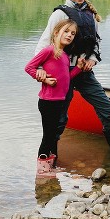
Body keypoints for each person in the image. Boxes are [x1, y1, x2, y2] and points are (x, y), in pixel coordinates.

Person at [33, 0, 110, 151]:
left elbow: (96, 42)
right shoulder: (60, 14)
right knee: (60, 118)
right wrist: (39, 68)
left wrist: (92, 59)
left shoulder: (90, 14)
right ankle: (49, 156)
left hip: (83, 71)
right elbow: (45, 41)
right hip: (62, 72)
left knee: (105, 106)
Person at [25, 19, 81, 177]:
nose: (69, 35)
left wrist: (78, 68)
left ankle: (51, 166)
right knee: (48, 135)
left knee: (54, 134)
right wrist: (43, 78)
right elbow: (29, 67)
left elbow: (66, 78)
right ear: (56, 33)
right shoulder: (49, 51)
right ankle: (42, 170)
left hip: (58, 102)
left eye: (73, 34)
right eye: (66, 31)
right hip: (48, 101)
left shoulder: (64, 55)